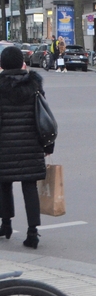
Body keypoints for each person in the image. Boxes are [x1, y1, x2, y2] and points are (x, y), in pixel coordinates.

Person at [0, 46, 55, 249]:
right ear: (22, 62)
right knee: (29, 187)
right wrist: (48, 144)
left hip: (4, 146)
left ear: (2, 64)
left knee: (4, 185)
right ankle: (33, 233)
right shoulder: (34, 85)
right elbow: (44, 116)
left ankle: (5, 225)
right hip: (31, 145)